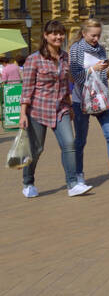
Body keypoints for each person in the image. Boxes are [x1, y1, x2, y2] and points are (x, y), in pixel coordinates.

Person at [19, 20, 91, 198]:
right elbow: (27, 88)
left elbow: (65, 84)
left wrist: (70, 104)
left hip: (61, 108)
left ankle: (72, 184)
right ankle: (28, 182)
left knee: (69, 144)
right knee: (36, 150)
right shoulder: (33, 59)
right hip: (37, 110)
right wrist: (23, 114)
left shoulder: (65, 57)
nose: (58, 36)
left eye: (61, 33)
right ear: (45, 36)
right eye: (54, 33)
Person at [69, 19, 109, 185]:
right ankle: (79, 175)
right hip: (81, 100)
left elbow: (104, 78)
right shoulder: (76, 49)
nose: (96, 39)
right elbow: (74, 75)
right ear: (84, 34)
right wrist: (92, 69)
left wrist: (108, 68)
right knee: (81, 140)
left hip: (100, 99)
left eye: (98, 35)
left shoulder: (101, 49)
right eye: (93, 35)